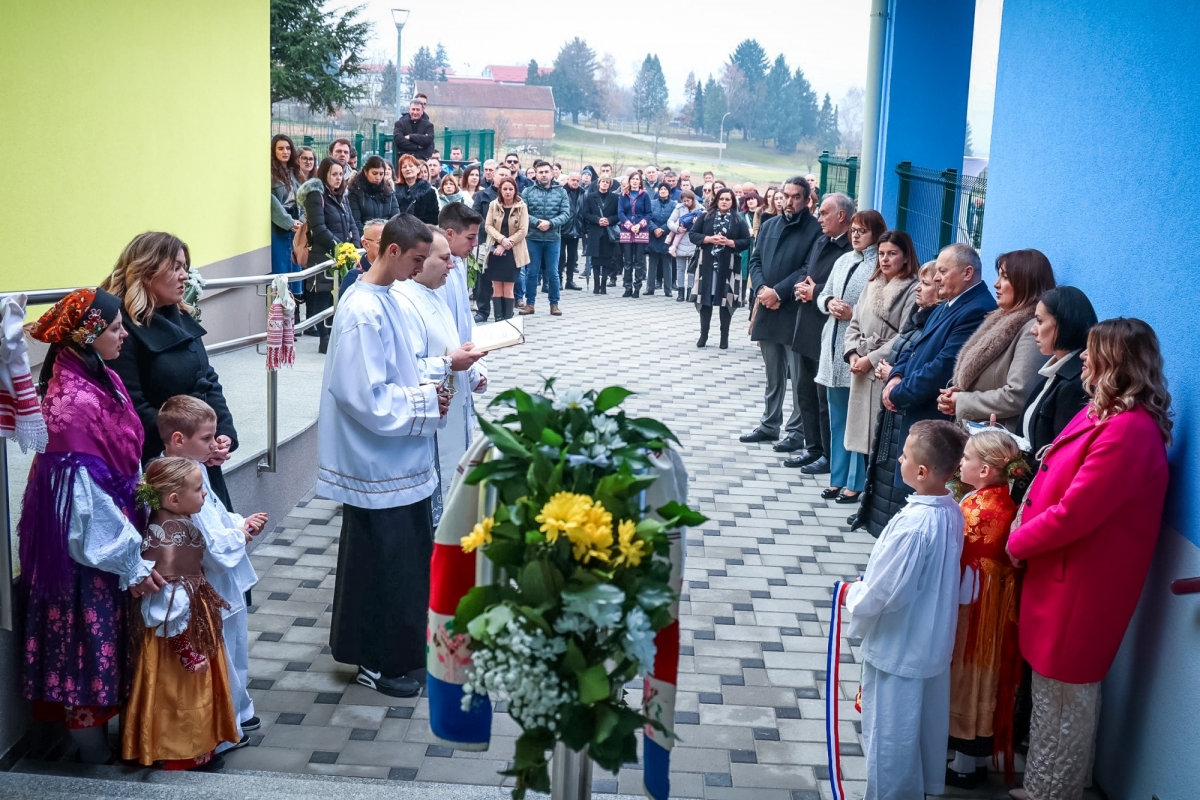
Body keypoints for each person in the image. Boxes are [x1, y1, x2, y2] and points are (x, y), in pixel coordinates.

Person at [1006, 318, 1171, 800]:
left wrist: (1018, 542)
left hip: (1080, 587)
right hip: (1063, 577)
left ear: (1118, 364)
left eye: (1092, 351)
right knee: (1055, 700)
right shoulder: (1105, 413)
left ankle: (1051, 793)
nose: (1081, 357)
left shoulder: (1129, 431)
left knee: (1065, 705)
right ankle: (1048, 787)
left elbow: (1075, 512)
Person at [317, 214, 449, 699]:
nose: (420, 268)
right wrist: (423, 401)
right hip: (378, 464)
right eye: (417, 258)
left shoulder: (387, 298)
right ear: (392, 251)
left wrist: (438, 374)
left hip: (399, 461)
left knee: (404, 561)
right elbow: (361, 395)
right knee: (381, 565)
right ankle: (375, 660)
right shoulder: (362, 310)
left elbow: (403, 364)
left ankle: (403, 651)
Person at [19, 288, 152, 765]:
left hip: (112, 530)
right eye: (115, 327)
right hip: (84, 550)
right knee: (83, 648)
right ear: (87, 333)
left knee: (101, 645)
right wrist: (129, 559)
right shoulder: (70, 401)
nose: (123, 333)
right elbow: (81, 505)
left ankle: (101, 746)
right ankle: (91, 754)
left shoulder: (103, 377)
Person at [845, 420, 968, 800]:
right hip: (929, 641)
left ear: (921, 472)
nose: (897, 458)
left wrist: (853, 595)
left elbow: (885, 592)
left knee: (891, 737)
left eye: (904, 454)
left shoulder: (914, 526)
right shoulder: (950, 510)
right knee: (921, 728)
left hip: (900, 646)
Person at [100, 233, 239, 510]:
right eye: (176, 267)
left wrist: (222, 434)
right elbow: (131, 406)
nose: (184, 276)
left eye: (185, 267)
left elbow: (208, 380)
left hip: (198, 460)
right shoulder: (122, 331)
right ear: (147, 270)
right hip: (161, 467)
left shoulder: (180, 316)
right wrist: (193, 442)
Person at [159, 396, 268, 746]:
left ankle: (239, 711)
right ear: (178, 440)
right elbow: (207, 544)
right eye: (206, 438)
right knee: (218, 652)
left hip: (224, 580)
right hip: (206, 583)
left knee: (236, 647)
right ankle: (224, 724)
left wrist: (238, 523)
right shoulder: (176, 483)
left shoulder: (197, 468)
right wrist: (241, 533)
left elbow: (217, 514)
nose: (214, 444)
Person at [122, 456, 239, 769]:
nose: (204, 494)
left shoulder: (175, 525)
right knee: (179, 695)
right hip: (176, 640)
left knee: (190, 694)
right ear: (174, 499)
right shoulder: (168, 546)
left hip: (189, 623)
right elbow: (165, 609)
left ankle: (194, 749)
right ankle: (178, 754)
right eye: (199, 489)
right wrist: (185, 650)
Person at [945, 430, 1025, 790]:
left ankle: (966, 765)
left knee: (971, 679)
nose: (960, 462)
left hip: (978, 616)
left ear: (986, 469)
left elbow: (963, 556)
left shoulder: (987, 511)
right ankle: (965, 759)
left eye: (966, 457)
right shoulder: (992, 499)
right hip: (980, 607)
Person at [879, 243, 997, 478]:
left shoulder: (976, 309)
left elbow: (944, 367)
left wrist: (897, 393)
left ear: (967, 273)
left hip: (934, 419)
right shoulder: (949, 304)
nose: (936, 278)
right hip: (917, 409)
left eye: (943, 271)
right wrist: (897, 376)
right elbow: (915, 346)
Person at [393, 228, 487, 517]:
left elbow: (449, 347)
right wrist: (450, 364)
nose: (452, 265)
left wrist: (471, 372)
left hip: (451, 412)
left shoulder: (432, 295)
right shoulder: (403, 302)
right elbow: (404, 369)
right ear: (421, 260)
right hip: (428, 426)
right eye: (445, 258)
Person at [854, 260, 943, 535]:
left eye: (926, 284)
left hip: (906, 408)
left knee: (897, 488)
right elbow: (906, 351)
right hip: (894, 402)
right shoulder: (918, 317)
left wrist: (894, 376)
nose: (919, 288)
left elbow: (930, 366)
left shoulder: (935, 321)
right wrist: (894, 374)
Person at [937, 249, 1057, 430]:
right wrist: (958, 393)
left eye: (1005, 278)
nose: (996, 284)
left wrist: (963, 401)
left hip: (997, 441)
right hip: (979, 436)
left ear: (1026, 283)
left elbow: (1018, 395)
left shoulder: (1032, 330)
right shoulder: (998, 320)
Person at [743, 177, 821, 450]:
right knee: (773, 374)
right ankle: (768, 425)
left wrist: (778, 293)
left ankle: (796, 431)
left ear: (807, 200)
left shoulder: (815, 230)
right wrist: (763, 289)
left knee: (799, 377)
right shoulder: (769, 224)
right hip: (767, 308)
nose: (789, 201)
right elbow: (755, 260)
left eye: (796, 197)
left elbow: (806, 269)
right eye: (786, 196)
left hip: (795, 311)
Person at [815, 209, 884, 503]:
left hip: (856, 353)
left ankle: (855, 482)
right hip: (831, 348)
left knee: (857, 421)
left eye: (862, 231)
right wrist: (829, 302)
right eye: (853, 230)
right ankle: (837, 477)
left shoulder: (878, 268)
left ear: (876, 235)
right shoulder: (843, 260)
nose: (855, 235)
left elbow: (876, 313)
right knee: (837, 418)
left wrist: (852, 312)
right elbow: (822, 295)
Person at [785, 193, 855, 473]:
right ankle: (812, 447)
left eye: (824, 213)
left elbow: (847, 286)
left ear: (841, 216)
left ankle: (827, 453)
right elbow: (808, 270)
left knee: (823, 395)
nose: (819, 217)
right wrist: (803, 285)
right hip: (806, 322)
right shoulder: (821, 239)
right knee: (804, 392)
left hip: (827, 329)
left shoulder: (850, 247)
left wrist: (816, 290)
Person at [844, 229, 919, 460]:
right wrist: (853, 353)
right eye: (881, 253)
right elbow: (855, 321)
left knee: (881, 443)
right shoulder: (871, 283)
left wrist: (871, 359)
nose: (884, 259)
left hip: (885, 366)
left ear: (906, 256)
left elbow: (906, 333)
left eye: (892, 253)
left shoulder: (913, 288)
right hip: (861, 365)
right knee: (862, 442)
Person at [1019, 286, 1098, 462]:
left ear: (1064, 324)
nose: (1033, 330)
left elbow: (1058, 457)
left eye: (1040, 321)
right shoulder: (1058, 372)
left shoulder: (1075, 384)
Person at [299, 157, 360, 353]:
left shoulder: (341, 195)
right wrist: (339, 246)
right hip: (323, 255)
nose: (338, 178)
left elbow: (351, 222)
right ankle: (324, 338)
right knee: (322, 297)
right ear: (324, 174)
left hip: (342, 256)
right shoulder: (316, 195)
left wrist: (355, 246)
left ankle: (335, 334)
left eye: (341, 174)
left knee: (339, 297)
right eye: (334, 174)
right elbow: (318, 228)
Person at [688, 187, 751, 349]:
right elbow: (693, 235)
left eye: (728, 199)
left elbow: (746, 241)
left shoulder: (738, 220)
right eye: (722, 199)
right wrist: (709, 239)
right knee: (705, 300)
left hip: (728, 265)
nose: (724, 202)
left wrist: (731, 243)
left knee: (726, 301)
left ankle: (724, 337)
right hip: (707, 265)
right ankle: (704, 335)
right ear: (717, 200)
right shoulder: (705, 216)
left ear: (732, 202)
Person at [520, 160, 570, 316]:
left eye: (546, 172)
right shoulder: (528, 192)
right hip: (533, 237)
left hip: (553, 237)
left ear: (552, 173)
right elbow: (523, 213)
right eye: (540, 172)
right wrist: (537, 223)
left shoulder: (561, 192)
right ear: (535, 173)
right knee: (532, 272)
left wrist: (551, 223)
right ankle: (530, 304)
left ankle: (554, 304)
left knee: (553, 272)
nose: (543, 175)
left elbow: (566, 214)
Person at [483, 177, 529, 320]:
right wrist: (501, 240)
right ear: (500, 191)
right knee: (497, 287)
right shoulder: (493, 205)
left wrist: (507, 243)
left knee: (508, 288)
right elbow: (488, 226)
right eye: (505, 189)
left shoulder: (522, 206)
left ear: (515, 190)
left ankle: (507, 321)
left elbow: (523, 230)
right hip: (495, 250)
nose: (508, 192)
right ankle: (498, 320)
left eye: (510, 189)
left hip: (513, 252)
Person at [270, 135, 303, 290]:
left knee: (295, 267)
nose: (285, 152)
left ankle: (294, 311)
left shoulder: (294, 171)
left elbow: (302, 197)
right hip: (280, 226)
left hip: (296, 223)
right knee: (282, 269)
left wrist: (301, 220)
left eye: (288, 148)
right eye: (281, 148)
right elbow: (270, 200)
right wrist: (288, 222)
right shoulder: (269, 173)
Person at [581, 175, 620, 294]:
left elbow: (618, 215)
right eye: (603, 182)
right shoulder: (590, 196)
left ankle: (604, 286)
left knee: (607, 258)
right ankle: (596, 285)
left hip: (608, 232)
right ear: (598, 183)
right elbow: (585, 213)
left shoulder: (615, 197)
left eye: (607, 182)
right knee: (596, 259)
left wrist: (609, 220)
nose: (604, 184)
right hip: (595, 231)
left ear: (610, 185)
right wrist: (597, 220)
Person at [619, 171, 652, 297]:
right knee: (627, 261)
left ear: (640, 182)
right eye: (633, 179)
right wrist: (629, 226)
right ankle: (627, 287)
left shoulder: (645, 195)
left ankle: (637, 288)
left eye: (637, 179)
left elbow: (649, 213)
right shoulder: (623, 195)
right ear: (629, 181)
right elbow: (620, 213)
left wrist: (639, 225)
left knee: (639, 261)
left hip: (641, 230)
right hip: (627, 230)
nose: (635, 181)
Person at [347, 155, 400, 232]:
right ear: (366, 172)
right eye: (374, 173)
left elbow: (395, 219)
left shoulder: (389, 192)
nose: (378, 177)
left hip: (386, 237)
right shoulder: (355, 192)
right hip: (364, 238)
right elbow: (355, 221)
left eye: (381, 174)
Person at [667, 189, 702, 302]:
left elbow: (705, 224)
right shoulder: (679, 208)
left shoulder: (700, 209)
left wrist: (698, 224)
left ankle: (690, 292)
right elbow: (670, 222)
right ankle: (680, 292)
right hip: (680, 240)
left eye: (688, 200)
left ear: (693, 200)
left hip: (693, 241)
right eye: (684, 201)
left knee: (692, 269)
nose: (686, 203)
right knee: (680, 269)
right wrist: (677, 228)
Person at [646, 183, 677, 297]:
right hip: (653, 236)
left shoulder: (674, 205)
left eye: (665, 189)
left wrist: (662, 229)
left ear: (669, 192)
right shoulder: (652, 203)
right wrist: (654, 228)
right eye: (661, 189)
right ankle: (650, 289)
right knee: (652, 263)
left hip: (666, 237)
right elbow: (647, 217)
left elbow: (673, 219)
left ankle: (668, 290)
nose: (663, 191)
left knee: (667, 263)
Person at [395, 153, 440, 225]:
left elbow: (434, 218)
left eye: (411, 166)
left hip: (420, 232)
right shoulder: (394, 191)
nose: (408, 169)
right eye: (404, 167)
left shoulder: (429, 191)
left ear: (418, 169)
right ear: (401, 171)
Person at [341, 219, 384, 292]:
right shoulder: (353, 278)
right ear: (366, 244)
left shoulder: (398, 273)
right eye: (382, 242)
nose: (388, 247)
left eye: (391, 242)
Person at [560, 172, 586, 291]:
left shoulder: (583, 193)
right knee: (560, 257)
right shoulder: (562, 192)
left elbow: (584, 212)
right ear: (568, 180)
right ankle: (559, 280)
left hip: (576, 229)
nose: (575, 182)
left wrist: (584, 228)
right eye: (573, 180)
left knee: (572, 257)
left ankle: (569, 281)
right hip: (562, 229)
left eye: (577, 180)